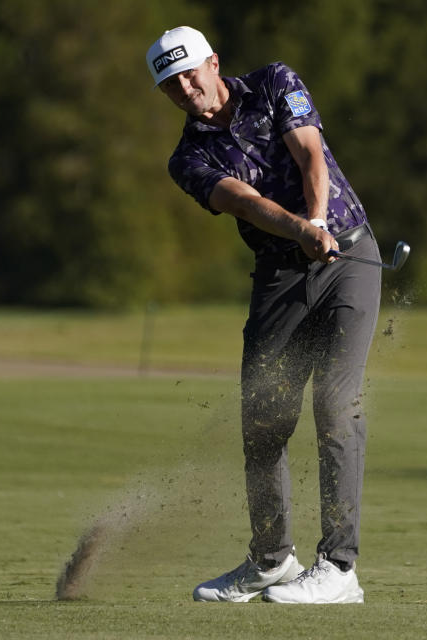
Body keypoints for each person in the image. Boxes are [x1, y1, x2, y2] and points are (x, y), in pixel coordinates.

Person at [146, 26, 381, 604]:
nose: (184, 88)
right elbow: (244, 202)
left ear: (213, 63)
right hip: (280, 276)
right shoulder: (188, 157)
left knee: (335, 403)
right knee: (263, 421)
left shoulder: (276, 82)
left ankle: (339, 568)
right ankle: (272, 560)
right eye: (170, 85)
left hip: (348, 254)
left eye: (189, 73)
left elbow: (310, 153)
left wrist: (318, 222)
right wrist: (299, 230)